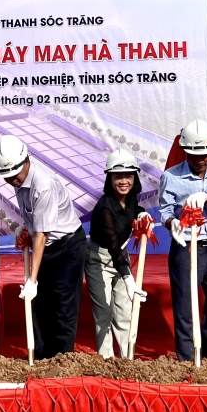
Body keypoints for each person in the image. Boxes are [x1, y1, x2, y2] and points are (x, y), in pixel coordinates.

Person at [0, 134, 87, 360]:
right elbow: (35, 221)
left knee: (62, 307)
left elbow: (42, 236)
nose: (11, 180)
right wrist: (26, 225)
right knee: (42, 306)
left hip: (67, 247)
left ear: (26, 160)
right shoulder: (18, 179)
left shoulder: (43, 185)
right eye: (6, 176)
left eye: (14, 174)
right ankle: (42, 358)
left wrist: (32, 280)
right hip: (47, 245)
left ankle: (62, 361)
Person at [159, 119, 207, 362]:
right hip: (186, 248)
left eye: (204, 155)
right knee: (185, 307)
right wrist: (173, 224)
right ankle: (187, 361)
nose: (200, 160)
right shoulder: (171, 176)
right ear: (184, 151)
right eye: (193, 155)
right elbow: (165, 212)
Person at [86, 149, 152, 358]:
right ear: (110, 179)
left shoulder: (130, 198)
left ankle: (127, 359)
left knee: (124, 311)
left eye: (128, 176)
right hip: (100, 260)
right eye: (118, 177)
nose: (123, 181)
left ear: (135, 178)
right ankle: (106, 360)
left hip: (121, 256)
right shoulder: (105, 208)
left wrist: (141, 213)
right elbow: (113, 246)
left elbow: (134, 209)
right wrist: (128, 278)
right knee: (104, 313)